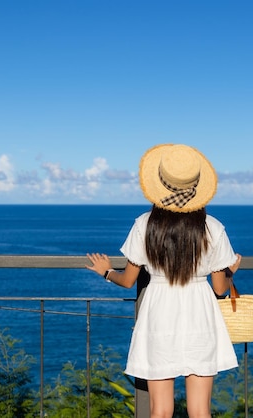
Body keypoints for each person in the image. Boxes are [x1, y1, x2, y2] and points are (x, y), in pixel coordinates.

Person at [86, 143, 241, 418]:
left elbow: (128, 280)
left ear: (161, 183)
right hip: (199, 313)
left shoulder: (145, 225)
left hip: (159, 311)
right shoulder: (213, 228)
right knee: (200, 410)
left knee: (160, 410)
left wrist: (107, 272)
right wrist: (231, 271)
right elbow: (219, 289)